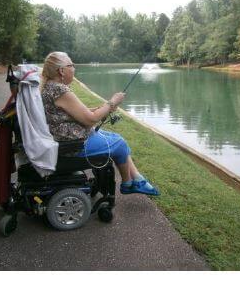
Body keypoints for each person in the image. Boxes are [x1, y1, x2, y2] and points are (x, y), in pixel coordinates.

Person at [39, 52, 159, 196]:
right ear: (61, 71)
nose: (74, 68)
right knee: (120, 143)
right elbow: (90, 119)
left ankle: (138, 180)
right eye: (71, 65)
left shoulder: (50, 86)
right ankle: (128, 184)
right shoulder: (59, 89)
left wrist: (102, 108)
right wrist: (113, 102)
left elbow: (69, 112)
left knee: (115, 137)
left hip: (65, 137)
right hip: (73, 144)